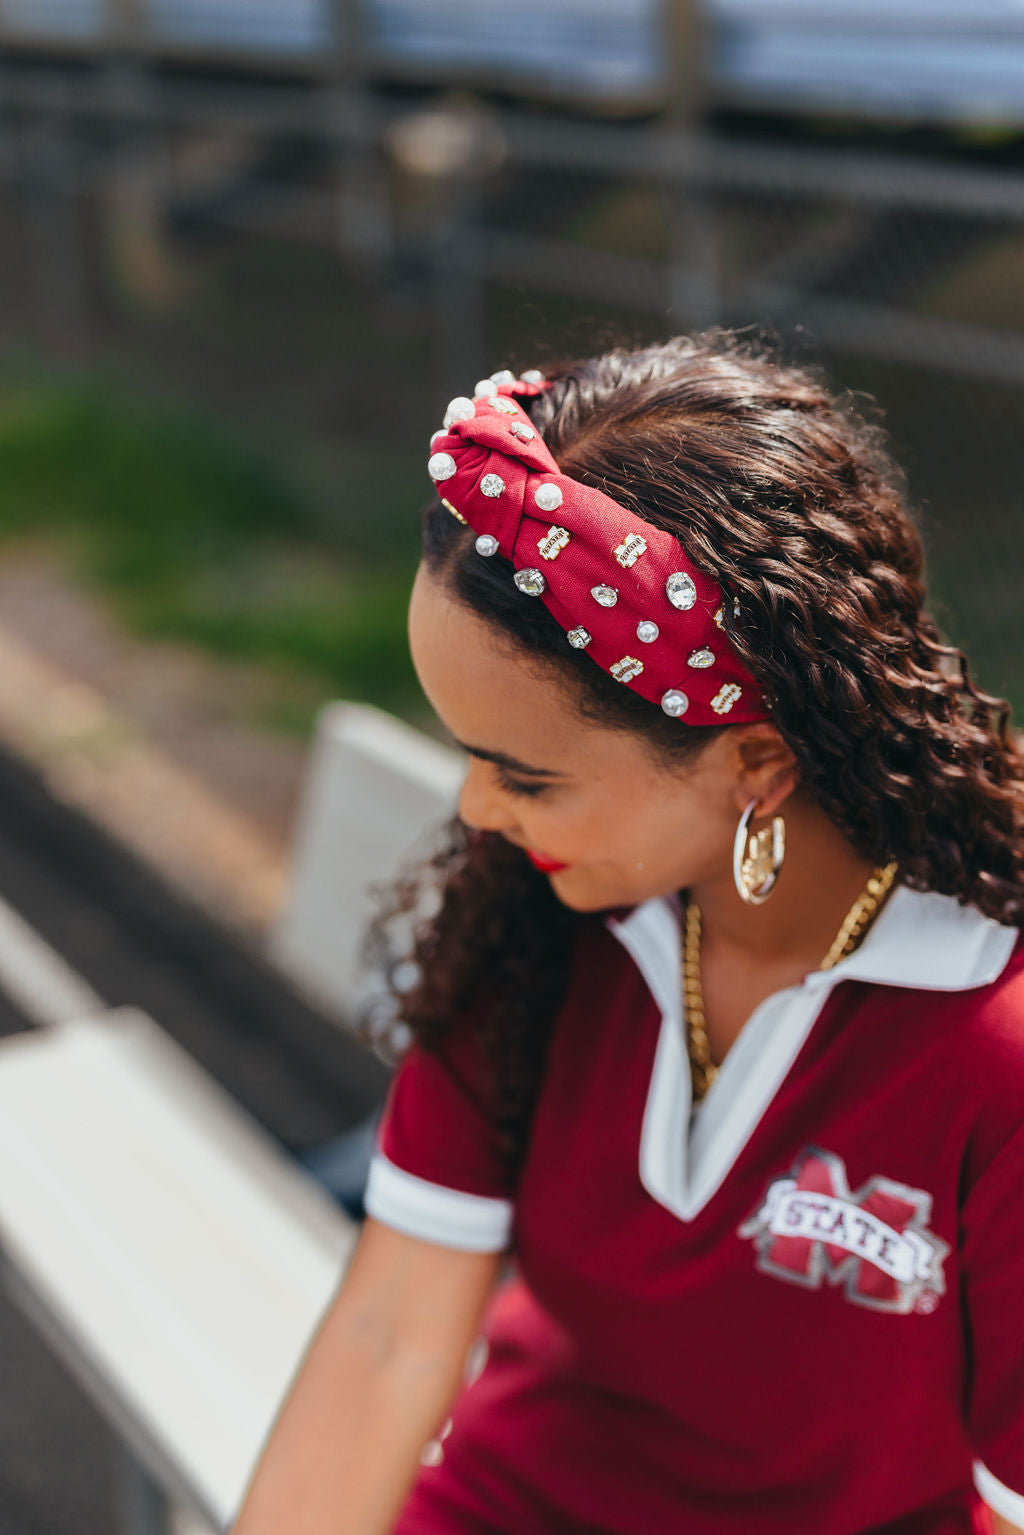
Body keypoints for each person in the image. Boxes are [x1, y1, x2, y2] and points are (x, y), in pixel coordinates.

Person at [230, 331, 1024, 1535]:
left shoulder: (992, 1046)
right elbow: (392, 1334)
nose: (476, 810)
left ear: (756, 761)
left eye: (525, 776)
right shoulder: (529, 918)